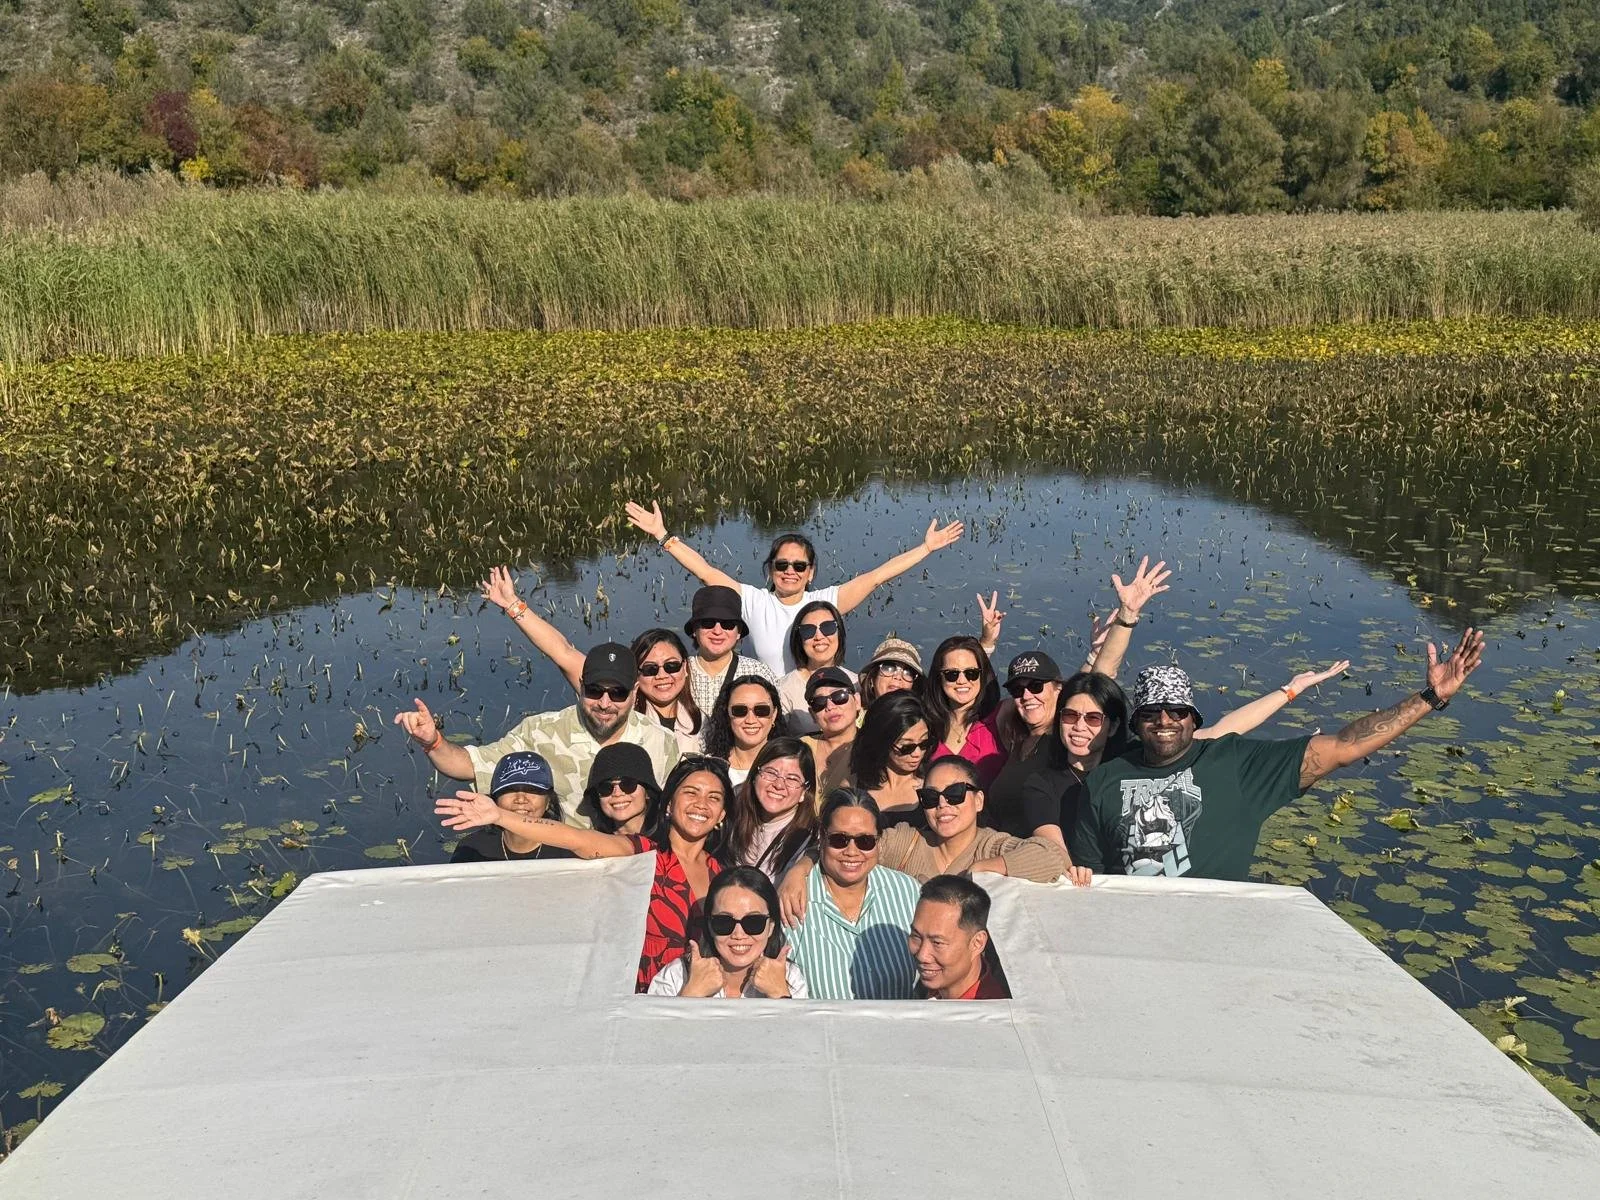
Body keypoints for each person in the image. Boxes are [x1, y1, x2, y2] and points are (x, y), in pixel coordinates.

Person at [1072, 631, 1485, 881]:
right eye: (1150, 713)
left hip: (1216, 935)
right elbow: (1091, 879)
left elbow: (1343, 746)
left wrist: (1432, 697)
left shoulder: (1235, 764)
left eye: (1176, 711)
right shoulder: (1104, 781)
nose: (1164, 720)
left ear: (1193, 719)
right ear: (1135, 723)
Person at [437, 755, 732, 991]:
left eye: (713, 798)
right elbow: (575, 839)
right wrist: (501, 816)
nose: (701, 805)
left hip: (709, 1000)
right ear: (669, 805)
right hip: (647, 999)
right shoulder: (643, 853)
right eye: (691, 793)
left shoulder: (725, 876)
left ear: (721, 816)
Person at [1011, 658, 1353, 848]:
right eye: (1069, 717)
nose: (1079, 727)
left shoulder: (1136, 759)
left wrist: (1290, 690)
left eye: (1093, 718)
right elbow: (1053, 851)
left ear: (1113, 726)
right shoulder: (1043, 784)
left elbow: (1221, 731)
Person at [626, 499, 965, 674]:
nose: (790, 571)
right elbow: (706, 572)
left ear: (811, 572)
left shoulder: (824, 602)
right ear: (770, 568)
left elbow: (876, 576)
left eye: (799, 565)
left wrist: (926, 548)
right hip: (771, 706)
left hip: (819, 700)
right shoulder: (755, 602)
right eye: (782, 565)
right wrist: (663, 535)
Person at [394, 642, 680, 830]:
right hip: (564, 862)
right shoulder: (541, 731)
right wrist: (433, 742)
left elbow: (673, 813)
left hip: (634, 862)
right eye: (595, 691)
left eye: (617, 693)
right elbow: (470, 765)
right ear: (581, 687)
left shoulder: (661, 741)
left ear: (634, 692)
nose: (605, 703)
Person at [777, 758, 1078, 922]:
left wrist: (989, 867)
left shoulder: (993, 844)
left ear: (980, 800)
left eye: (956, 794)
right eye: (931, 797)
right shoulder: (907, 841)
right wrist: (798, 870)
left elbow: (1052, 855)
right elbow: (847, 846)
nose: (943, 805)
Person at [479, 569, 705, 755]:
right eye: (650, 669)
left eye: (672, 666)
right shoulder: (614, 701)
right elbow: (563, 651)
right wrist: (512, 604)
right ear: (634, 678)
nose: (662, 675)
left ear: (685, 668)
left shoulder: (699, 716)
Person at [781, 789, 921, 1000]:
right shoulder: (793, 898)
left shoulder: (906, 891)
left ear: (879, 841)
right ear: (822, 837)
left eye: (865, 841)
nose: (852, 851)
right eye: (840, 839)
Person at [646, 867, 809, 998]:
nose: (738, 934)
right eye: (724, 922)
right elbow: (651, 1036)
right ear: (709, 925)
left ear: (771, 927)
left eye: (753, 922)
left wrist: (780, 994)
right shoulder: (677, 975)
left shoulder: (789, 977)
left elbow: (803, 1037)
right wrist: (691, 994)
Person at [450, 752, 575, 863]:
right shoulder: (472, 848)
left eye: (532, 790)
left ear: (548, 801)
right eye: (510, 790)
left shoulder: (570, 847)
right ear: (495, 799)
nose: (520, 799)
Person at [722, 737, 818, 881]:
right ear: (755, 775)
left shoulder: (812, 842)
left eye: (792, 779)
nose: (779, 785)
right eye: (771, 773)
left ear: (804, 792)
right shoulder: (729, 818)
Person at [909, 875, 1010, 1000]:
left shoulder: (989, 1015)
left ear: (977, 943)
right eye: (916, 936)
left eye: (937, 943)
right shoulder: (929, 990)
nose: (922, 955)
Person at [922, 636, 1006, 786]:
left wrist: (987, 642)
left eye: (971, 673)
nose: (962, 680)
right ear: (938, 678)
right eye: (951, 675)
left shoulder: (1000, 717)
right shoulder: (924, 725)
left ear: (982, 676)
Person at [682, 585, 779, 714]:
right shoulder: (677, 672)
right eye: (708, 623)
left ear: (738, 632)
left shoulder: (759, 672)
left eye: (727, 624)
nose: (717, 631)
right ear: (694, 629)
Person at [849, 692, 935, 821]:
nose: (917, 753)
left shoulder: (934, 784)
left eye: (924, 743)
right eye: (907, 747)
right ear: (882, 742)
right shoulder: (853, 785)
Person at [776, 600, 855, 734]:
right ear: (799, 639)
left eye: (828, 627)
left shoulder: (856, 683)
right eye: (808, 631)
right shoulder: (782, 689)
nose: (819, 636)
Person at [700, 674, 790, 786]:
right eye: (739, 710)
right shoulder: (708, 768)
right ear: (727, 714)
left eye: (761, 710)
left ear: (774, 714)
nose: (750, 720)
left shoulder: (791, 768)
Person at [801, 667, 860, 796]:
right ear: (812, 714)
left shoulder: (873, 748)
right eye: (819, 702)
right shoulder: (800, 749)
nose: (830, 706)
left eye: (839, 696)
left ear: (857, 701)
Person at [583, 742, 663, 836]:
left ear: (647, 792)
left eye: (628, 784)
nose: (617, 793)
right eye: (605, 787)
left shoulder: (671, 839)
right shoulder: (592, 845)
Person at [858, 636, 923, 706]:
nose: (898, 676)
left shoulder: (924, 716)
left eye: (908, 672)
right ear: (872, 679)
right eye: (888, 668)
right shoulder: (849, 716)